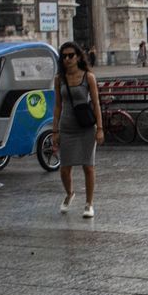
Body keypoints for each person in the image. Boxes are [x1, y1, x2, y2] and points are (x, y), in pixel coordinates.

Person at [55, 40, 103, 217]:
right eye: (64, 56)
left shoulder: (88, 77)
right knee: (65, 168)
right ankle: (69, 193)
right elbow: (57, 106)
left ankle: (89, 203)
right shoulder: (59, 79)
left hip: (86, 128)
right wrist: (55, 130)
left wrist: (100, 128)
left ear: (78, 57)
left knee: (88, 166)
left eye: (71, 55)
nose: (67, 59)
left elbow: (96, 103)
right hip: (67, 127)